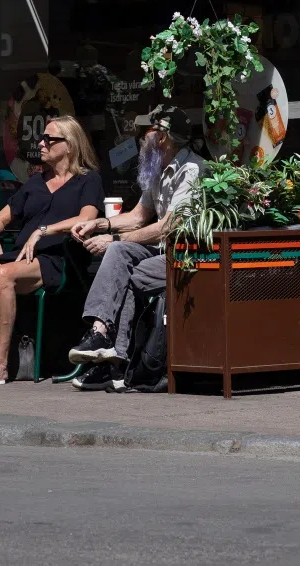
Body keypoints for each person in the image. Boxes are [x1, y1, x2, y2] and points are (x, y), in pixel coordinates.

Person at [0, 115, 103, 385]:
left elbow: (86, 218)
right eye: (41, 138)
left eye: (49, 139)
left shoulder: (88, 180)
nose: (41, 143)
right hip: (20, 258)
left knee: (4, 274)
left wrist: (44, 231)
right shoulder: (35, 183)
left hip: (59, 259)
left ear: (69, 145)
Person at [66, 106, 206, 388]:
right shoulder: (159, 168)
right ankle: (101, 335)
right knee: (119, 254)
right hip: (163, 250)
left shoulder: (192, 170)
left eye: (146, 132)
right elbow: (139, 216)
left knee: (128, 271)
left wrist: (114, 239)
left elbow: (168, 226)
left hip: (187, 255)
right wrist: (100, 224)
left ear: (163, 136)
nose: (141, 138)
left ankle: (115, 364)